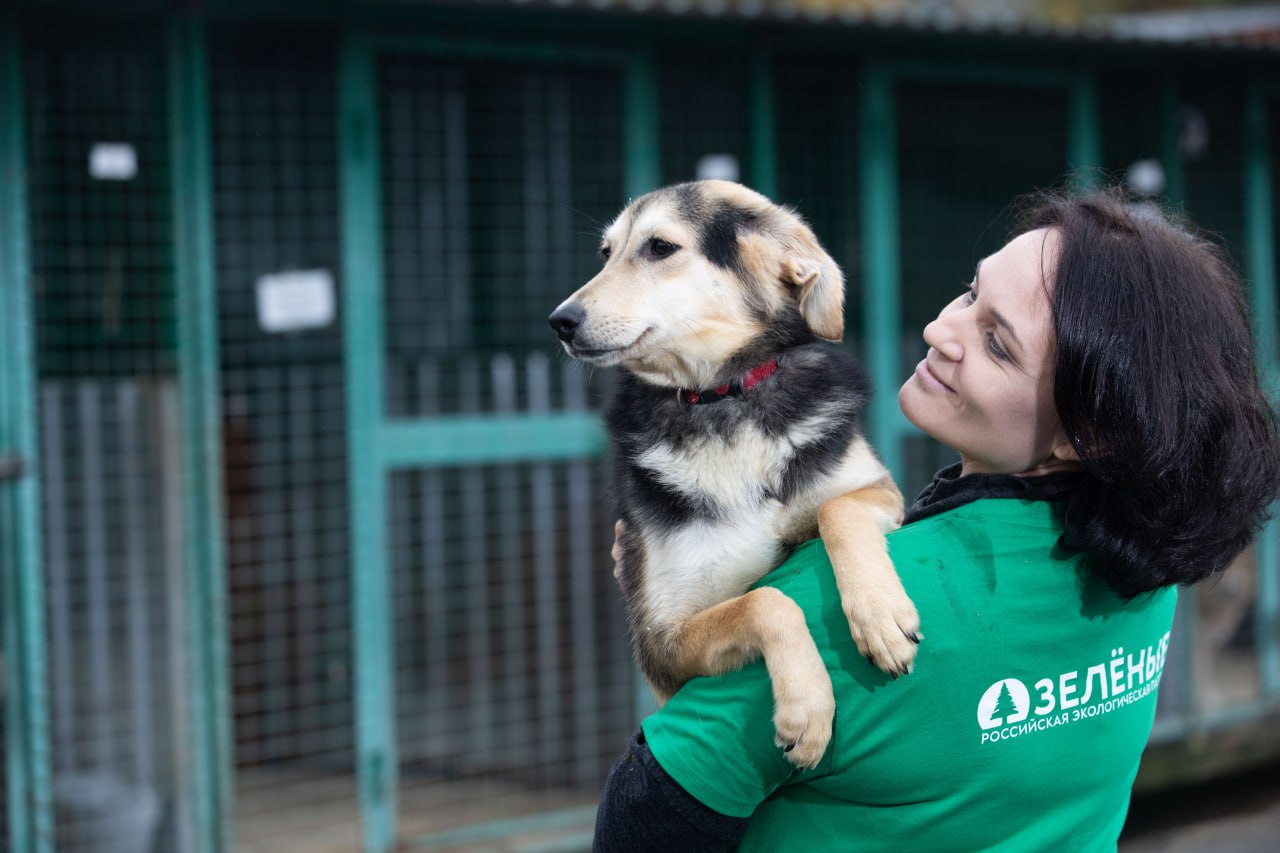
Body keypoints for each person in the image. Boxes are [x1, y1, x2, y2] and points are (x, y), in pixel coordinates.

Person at [591, 186, 1280, 851]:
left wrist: (671, 602)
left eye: (997, 344)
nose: (939, 329)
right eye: (971, 291)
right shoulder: (1143, 571)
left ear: (1088, 434)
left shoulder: (844, 610)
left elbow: (641, 820)